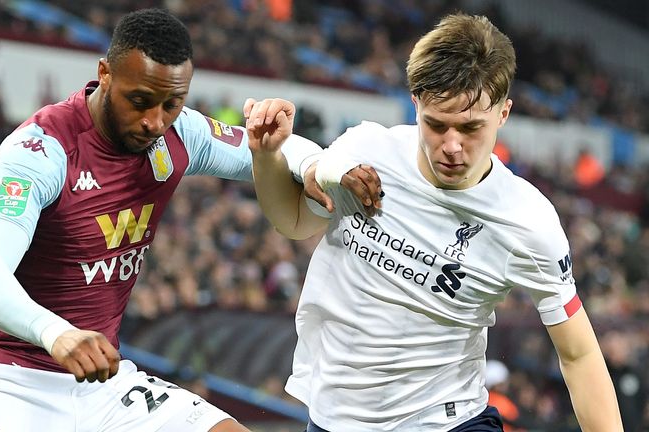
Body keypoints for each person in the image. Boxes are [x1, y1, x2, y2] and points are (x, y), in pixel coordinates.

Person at [0, 8, 380, 432]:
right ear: (104, 74)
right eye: (140, 100)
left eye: (172, 104)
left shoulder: (179, 133)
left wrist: (315, 168)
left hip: (101, 383)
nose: (154, 121)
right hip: (3, 377)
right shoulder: (41, 151)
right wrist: (56, 333)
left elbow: (269, 148)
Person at [246, 13, 623, 432]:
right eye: (436, 124)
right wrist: (267, 158)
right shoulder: (365, 152)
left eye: (471, 128)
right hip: (335, 419)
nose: (452, 147)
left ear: (503, 113)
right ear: (415, 103)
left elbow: (579, 355)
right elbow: (295, 221)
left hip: (450, 422)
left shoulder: (527, 222)